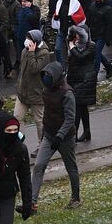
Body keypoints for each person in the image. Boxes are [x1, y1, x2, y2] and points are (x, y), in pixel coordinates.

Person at [31, 61, 80, 209]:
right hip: (49, 135)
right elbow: (47, 112)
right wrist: (46, 132)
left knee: (71, 167)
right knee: (38, 166)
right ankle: (32, 203)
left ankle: (76, 198)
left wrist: (60, 136)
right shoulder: (47, 90)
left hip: (65, 138)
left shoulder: (67, 93)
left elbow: (70, 119)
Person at [14, 29, 49, 145]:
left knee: (39, 121)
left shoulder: (44, 53)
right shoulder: (25, 50)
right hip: (23, 92)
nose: (26, 41)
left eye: (29, 39)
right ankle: (19, 143)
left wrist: (31, 52)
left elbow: (35, 68)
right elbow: (22, 70)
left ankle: (42, 145)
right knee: (17, 118)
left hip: (36, 93)